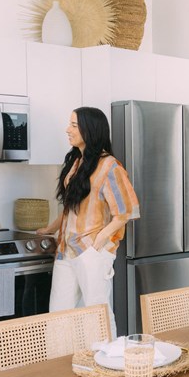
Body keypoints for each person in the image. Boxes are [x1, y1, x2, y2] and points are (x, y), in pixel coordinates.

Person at [37, 107, 139, 338]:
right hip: (67, 248)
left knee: (96, 315)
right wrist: (52, 228)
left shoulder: (110, 166)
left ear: (89, 129)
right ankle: (61, 370)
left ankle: (106, 367)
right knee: (59, 316)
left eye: (74, 125)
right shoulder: (77, 162)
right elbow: (72, 206)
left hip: (91, 250)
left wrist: (99, 241)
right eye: (69, 124)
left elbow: (126, 211)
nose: (67, 130)